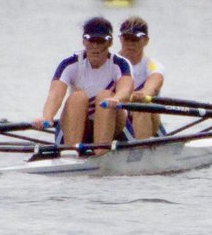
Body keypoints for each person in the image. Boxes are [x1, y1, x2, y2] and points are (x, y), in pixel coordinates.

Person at [36, 16, 134, 150]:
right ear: (84, 41)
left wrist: (116, 99)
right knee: (77, 97)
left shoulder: (120, 64)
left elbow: (125, 89)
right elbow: (55, 95)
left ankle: (101, 152)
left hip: (113, 126)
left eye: (100, 41)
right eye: (91, 40)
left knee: (105, 96)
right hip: (79, 125)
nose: (95, 46)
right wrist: (47, 117)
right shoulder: (69, 64)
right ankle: (71, 152)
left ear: (109, 42)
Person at [116, 16, 164, 139]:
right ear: (121, 39)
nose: (130, 44)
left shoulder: (152, 65)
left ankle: (142, 151)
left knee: (141, 103)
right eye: (127, 38)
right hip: (118, 119)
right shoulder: (110, 64)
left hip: (146, 116)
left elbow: (153, 84)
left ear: (146, 41)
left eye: (135, 39)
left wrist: (144, 93)